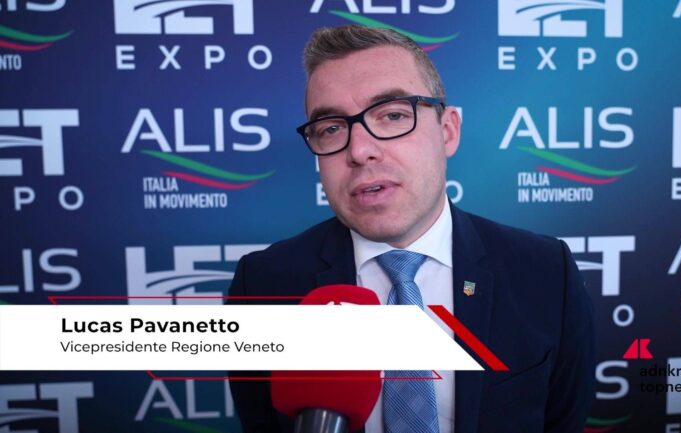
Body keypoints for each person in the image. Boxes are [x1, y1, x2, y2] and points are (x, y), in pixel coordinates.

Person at [228, 25, 595, 433]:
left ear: (447, 131)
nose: (359, 151)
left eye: (392, 115)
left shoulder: (546, 272)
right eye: (331, 128)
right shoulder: (262, 285)